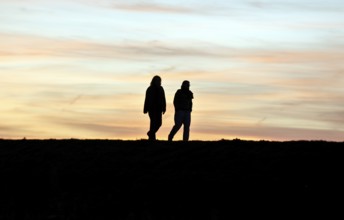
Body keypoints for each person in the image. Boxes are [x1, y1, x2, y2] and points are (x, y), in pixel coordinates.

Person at [144, 75, 166, 141]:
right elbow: (146, 99)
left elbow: (163, 99)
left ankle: (150, 133)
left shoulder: (161, 88)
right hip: (151, 108)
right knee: (153, 123)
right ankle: (152, 138)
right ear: (154, 81)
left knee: (159, 123)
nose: (158, 82)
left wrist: (164, 108)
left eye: (159, 80)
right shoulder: (149, 89)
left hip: (159, 109)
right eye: (157, 80)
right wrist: (145, 109)